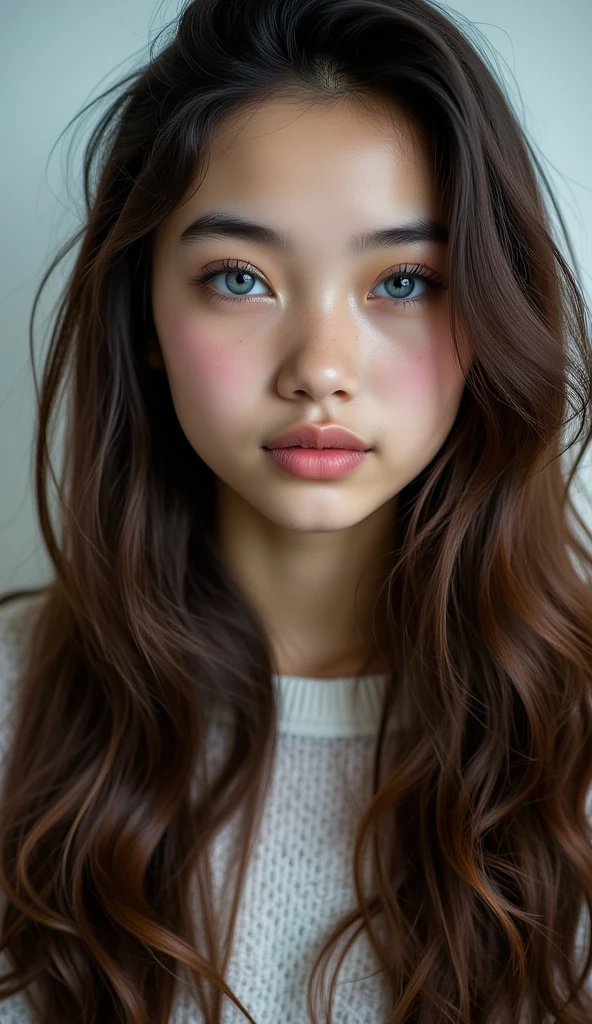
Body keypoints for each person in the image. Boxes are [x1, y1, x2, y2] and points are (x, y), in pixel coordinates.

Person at [0, 0, 591, 1021]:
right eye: (240, 278)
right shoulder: (12, 714)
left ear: (494, 312)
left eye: (403, 280)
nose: (320, 369)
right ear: (144, 315)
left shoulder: (572, 746)